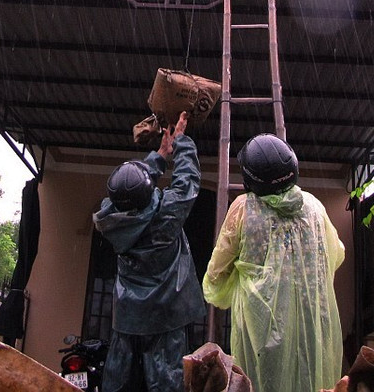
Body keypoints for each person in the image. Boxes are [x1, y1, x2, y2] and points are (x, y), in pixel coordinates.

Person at [203, 133, 345, 392]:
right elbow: (336, 255)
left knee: (262, 383)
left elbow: (216, 273)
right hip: (312, 329)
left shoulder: (244, 209)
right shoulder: (314, 208)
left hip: (262, 332)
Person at [93, 112, 205, 392]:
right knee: (167, 383)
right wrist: (181, 142)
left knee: (119, 383)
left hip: (127, 317)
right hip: (165, 318)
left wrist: (159, 156)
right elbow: (187, 182)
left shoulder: (108, 218)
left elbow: (130, 190)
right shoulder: (165, 218)